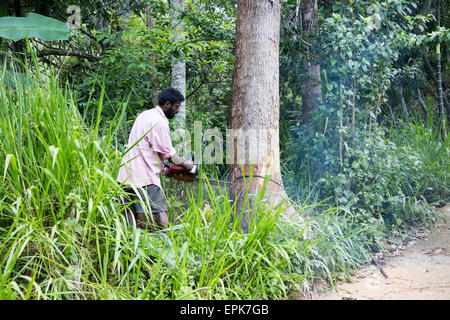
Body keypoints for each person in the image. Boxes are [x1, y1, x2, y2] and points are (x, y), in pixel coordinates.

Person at [117, 87, 193, 229]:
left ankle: (129, 243)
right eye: (176, 107)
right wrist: (186, 165)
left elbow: (148, 148)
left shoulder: (145, 115)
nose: (177, 111)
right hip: (144, 176)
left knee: (129, 212)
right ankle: (172, 243)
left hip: (126, 172)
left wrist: (164, 167)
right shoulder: (160, 122)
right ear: (167, 104)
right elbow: (171, 156)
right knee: (160, 214)